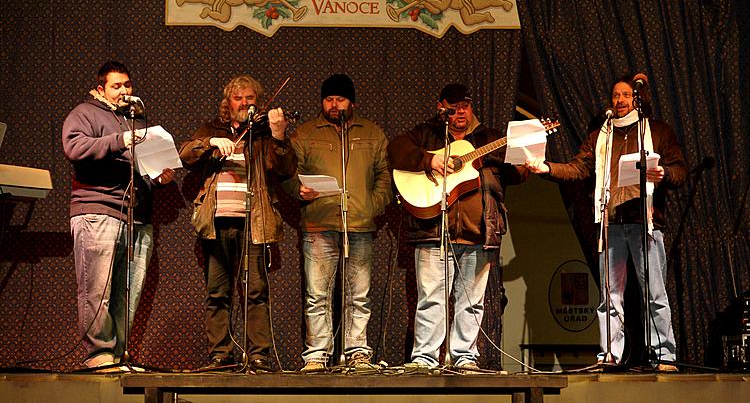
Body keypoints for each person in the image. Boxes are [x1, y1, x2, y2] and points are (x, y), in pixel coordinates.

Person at [525, 74, 687, 371]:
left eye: (625, 95)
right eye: (615, 95)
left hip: (644, 222)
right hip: (611, 224)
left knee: (654, 293)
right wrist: (545, 167)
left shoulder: (657, 131)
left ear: (637, 99)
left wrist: (664, 173)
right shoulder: (603, 135)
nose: (620, 100)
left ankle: (664, 355)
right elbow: (578, 168)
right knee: (610, 296)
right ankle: (610, 354)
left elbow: (679, 170)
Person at [387, 83, 527, 370]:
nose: (460, 111)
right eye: (453, 107)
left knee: (472, 302)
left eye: (465, 105)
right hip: (433, 232)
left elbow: (518, 174)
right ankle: (425, 358)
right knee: (431, 300)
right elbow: (396, 148)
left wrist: (527, 158)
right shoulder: (427, 133)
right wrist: (431, 159)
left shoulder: (488, 138)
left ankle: (465, 357)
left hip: (478, 232)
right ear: (442, 109)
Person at [62, 61, 175, 368]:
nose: (124, 90)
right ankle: (99, 353)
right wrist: (120, 140)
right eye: (116, 86)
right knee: (97, 288)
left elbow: (136, 165)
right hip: (98, 212)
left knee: (128, 291)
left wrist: (157, 176)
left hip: (136, 217)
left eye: (127, 84)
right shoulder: (84, 114)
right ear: (101, 89)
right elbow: (75, 148)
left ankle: (119, 354)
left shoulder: (133, 121)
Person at [179, 75, 296, 372]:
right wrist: (210, 143)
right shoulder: (214, 129)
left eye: (249, 98)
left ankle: (258, 354)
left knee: (256, 292)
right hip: (216, 222)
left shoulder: (264, 134)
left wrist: (279, 136)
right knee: (218, 292)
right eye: (238, 98)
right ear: (228, 104)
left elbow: (283, 168)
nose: (244, 103)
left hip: (253, 222)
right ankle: (220, 354)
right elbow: (185, 155)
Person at [283, 74, 392, 372]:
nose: (334, 105)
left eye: (340, 99)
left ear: (351, 102)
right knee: (317, 294)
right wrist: (298, 189)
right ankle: (317, 354)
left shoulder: (371, 133)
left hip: (359, 224)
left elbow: (384, 174)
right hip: (319, 224)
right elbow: (289, 173)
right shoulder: (305, 133)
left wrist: (373, 205)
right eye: (329, 99)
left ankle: (357, 351)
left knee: (358, 294)